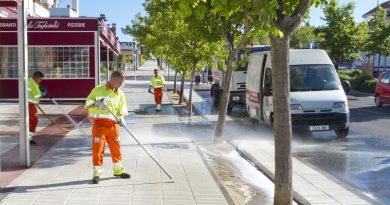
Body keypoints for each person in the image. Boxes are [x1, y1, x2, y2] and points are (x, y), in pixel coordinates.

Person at [84, 70, 130, 184]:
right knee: (98, 149)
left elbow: (121, 110)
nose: (121, 85)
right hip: (99, 125)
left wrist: (122, 118)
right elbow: (87, 104)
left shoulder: (120, 94)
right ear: (113, 79)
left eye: (122, 83)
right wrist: (98, 104)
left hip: (113, 126)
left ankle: (118, 170)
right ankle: (97, 173)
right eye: (120, 82)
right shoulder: (98, 90)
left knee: (116, 148)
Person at [28, 71, 48, 145]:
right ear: (36, 77)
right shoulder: (33, 83)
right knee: (32, 121)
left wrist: (39, 86)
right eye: (40, 79)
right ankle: (28, 138)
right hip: (30, 105)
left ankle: (29, 137)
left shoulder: (30, 81)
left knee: (32, 121)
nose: (41, 80)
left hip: (31, 105)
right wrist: (44, 92)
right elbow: (37, 95)